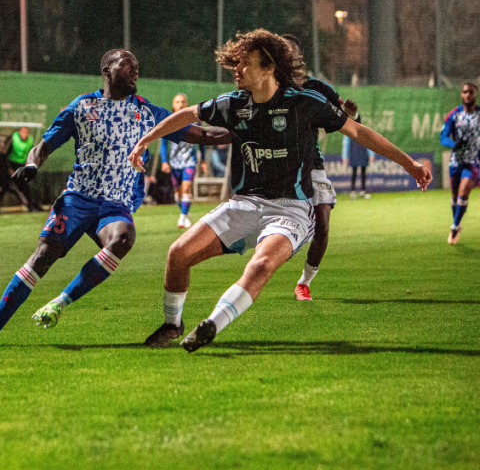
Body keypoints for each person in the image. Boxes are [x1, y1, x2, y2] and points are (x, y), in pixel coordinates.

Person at [129, 29, 431, 352]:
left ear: (268, 69)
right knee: (178, 254)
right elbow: (189, 115)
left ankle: (211, 325)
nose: (237, 69)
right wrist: (147, 139)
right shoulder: (233, 104)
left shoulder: (305, 102)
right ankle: (173, 326)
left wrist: (409, 164)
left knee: (260, 266)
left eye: (245, 63)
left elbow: (357, 131)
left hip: (291, 209)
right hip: (245, 204)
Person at [0, 49, 229, 350]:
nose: (134, 70)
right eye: (127, 65)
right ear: (106, 70)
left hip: (115, 204)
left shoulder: (147, 112)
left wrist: (241, 130)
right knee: (43, 256)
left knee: (124, 238)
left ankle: (59, 303)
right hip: (78, 198)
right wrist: (33, 165)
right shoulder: (82, 106)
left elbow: (203, 135)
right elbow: (44, 145)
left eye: (137, 66)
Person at [280, 34, 359, 302]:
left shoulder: (315, 88)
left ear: (299, 57)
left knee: (323, 223)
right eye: (280, 49)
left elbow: (346, 119)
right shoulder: (263, 86)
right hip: (276, 167)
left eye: (289, 50)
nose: (284, 54)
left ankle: (304, 283)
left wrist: (351, 113)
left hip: (311, 164)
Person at [440, 82, 480, 244]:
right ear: (461, 95)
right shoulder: (454, 114)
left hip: (474, 161)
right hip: (456, 161)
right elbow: (443, 137)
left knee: (463, 192)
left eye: (471, 92)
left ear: (475, 94)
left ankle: (455, 226)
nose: (468, 95)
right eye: (465, 92)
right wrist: (454, 145)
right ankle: (457, 221)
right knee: (455, 195)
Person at [161, 93, 207, 229]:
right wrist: (164, 162)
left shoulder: (195, 121)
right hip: (175, 162)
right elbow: (164, 144)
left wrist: (203, 160)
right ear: (173, 105)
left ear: (187, 104)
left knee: (187, 188)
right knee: (178, 193)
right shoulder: (168, 121)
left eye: (183, 101)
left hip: (189, 160)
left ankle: (182, 218)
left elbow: (201, 142)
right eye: (177, 102)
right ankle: (185, 214)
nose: (180, 104)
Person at [9, 127, 38, 211]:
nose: (25, 134)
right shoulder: (14, 139)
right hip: (13, 165)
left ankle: (31, 206)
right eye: (23, 132)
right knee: (7, 186)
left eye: (26, 132)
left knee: (28, 186)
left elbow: (33, 154)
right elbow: (7, 154)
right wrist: (9, 169)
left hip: (23, 165)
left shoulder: (30, 140)